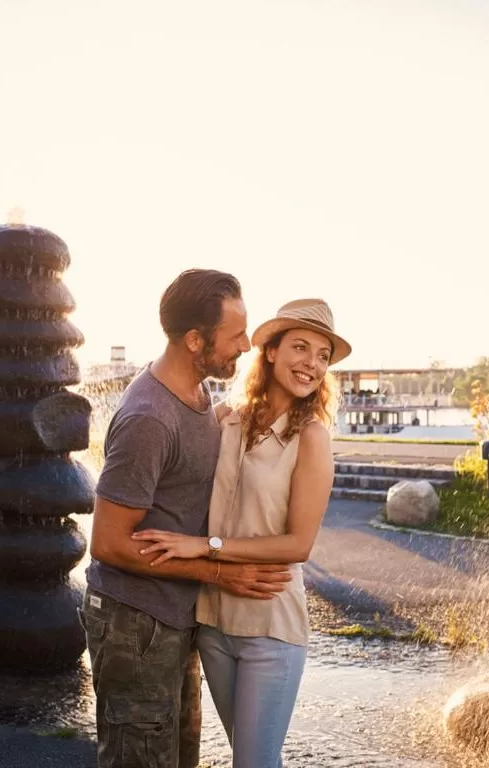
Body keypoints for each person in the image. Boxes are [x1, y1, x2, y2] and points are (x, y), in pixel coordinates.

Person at [81, 269, 294, 768]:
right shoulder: (149, 420)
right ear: (195, 340)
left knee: (178, 759)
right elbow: (109, 543)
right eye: (235, 335)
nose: (245, 345)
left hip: (173, 617)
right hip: (134, 622)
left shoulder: (199, 397)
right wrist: (218, 572)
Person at [133, 297, 351, 768]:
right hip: (213, 624)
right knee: (251, 759)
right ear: (270, 351)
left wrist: (204, 547)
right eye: (301, 348)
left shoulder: (311, 437)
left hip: (270, 630)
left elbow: (298, 544)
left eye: (322, 356)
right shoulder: (224, 419)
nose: (312, 364)